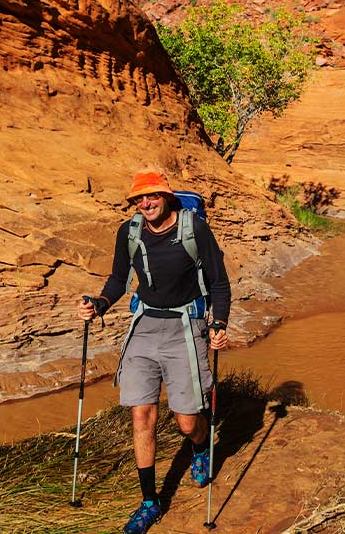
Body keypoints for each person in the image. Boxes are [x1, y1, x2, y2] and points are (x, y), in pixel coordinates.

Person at [77, 167, 231, 534]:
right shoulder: (129, 232)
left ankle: (199, 447)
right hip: (143, 327)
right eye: (139, 199)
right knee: (141, 416)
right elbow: (118, 280)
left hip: (185, 327)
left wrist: (219, 325)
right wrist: (98, 303)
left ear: (166, 197)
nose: (145, 204)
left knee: (187, 420)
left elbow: (219, 283)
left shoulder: (194, 229)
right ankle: (149, 502)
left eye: (153, 197)